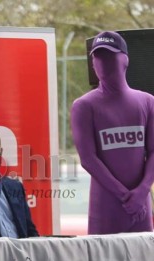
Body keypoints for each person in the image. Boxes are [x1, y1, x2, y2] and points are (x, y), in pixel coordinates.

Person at [71, 31, 154, 234]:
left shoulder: (147, 102)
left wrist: (142, 191)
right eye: (97, 57)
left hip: (141, 206)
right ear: (92, 64)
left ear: (125, 60)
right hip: (105, 208)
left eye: (109, 55)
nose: (102, 61)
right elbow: (88, 158)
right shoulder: (84, 106)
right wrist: (125, 196)